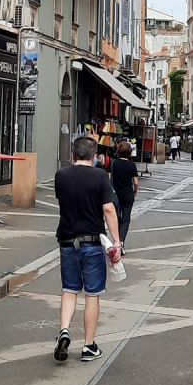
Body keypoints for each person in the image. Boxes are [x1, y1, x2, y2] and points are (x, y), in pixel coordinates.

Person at [53, 135, 120, 363]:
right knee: (92, 295)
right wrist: (117, 241)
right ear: (94, 157)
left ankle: (64, 330)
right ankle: (89, 346)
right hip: (91, 243)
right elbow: (109, 209)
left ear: (73, 155)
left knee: (69, 290)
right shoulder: (100, 176)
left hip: (67, 242)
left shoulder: (61, 176)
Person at [110, 139, 140, 248]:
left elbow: (110, 178)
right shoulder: (132, 165)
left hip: (116, 194)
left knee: (116, 217)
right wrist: (135, 191)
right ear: (129, 153)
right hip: (128, 194)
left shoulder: (114, 163)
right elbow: (136, 182)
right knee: (126, 218)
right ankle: (121, 241)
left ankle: (117, 240)